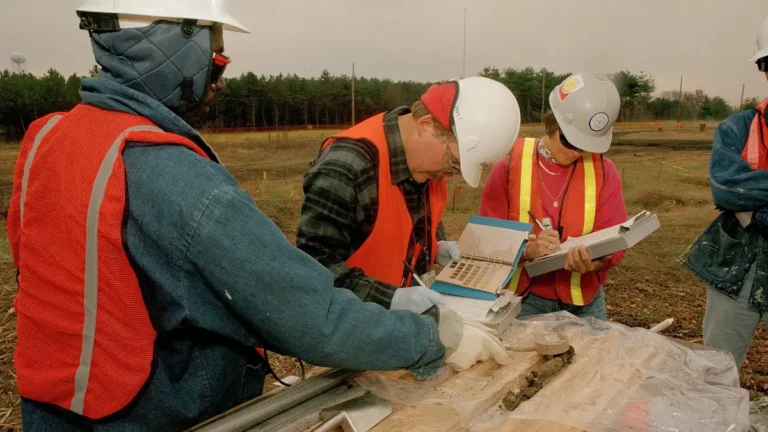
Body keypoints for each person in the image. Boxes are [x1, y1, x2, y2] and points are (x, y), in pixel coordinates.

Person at [7, 2, 511, 430]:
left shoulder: (46, 137)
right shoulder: (179, 179)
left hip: (54, 408)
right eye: (216, 60)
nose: (219, 82)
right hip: (154, 414)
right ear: (172, 44)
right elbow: (309, 316)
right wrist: (427, 338)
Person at [297, 78, 521, 314]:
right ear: (425, 126)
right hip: (347, 331)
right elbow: (313, 268)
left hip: (397, 330)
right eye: (453, 163)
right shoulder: (347, 167)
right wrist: (390, 298)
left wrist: (434, 246)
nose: (448, 176)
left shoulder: (426, 166)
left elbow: (406, 227)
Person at [479, 72, 627, 320]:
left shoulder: (604, 172)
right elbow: (485, 241)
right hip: (524, 301)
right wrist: (526, 250)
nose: (576, 153)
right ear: (552, 123)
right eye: (569, 141)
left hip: (585, 303)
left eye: (586, 145)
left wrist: (597, 263)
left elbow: (617, 239)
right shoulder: (508, 169)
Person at [681, 17, 768, 367]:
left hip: (745, 231)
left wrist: (756, 209)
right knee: (715, 368)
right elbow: (727, 190)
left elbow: (743, 191)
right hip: (738, 264)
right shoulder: (737, 127)